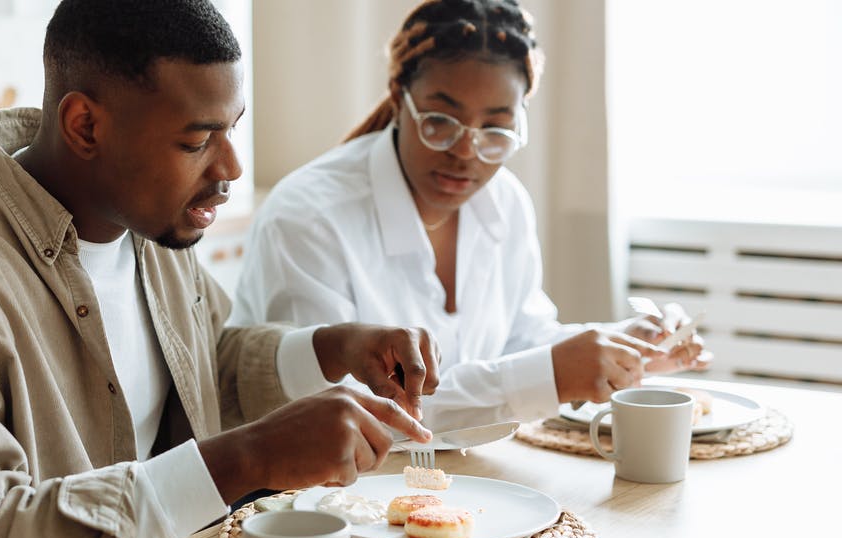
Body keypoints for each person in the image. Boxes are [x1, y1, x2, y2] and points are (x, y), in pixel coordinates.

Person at [0, 1, 441, 538]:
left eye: (231, 128)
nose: (230, 168)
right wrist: (244, 460)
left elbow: (197, 367)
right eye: (197, 140)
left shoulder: (146, 221)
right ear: (85, 126)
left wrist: (331, 349)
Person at [230, 0, 710, 430]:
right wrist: (549, 375)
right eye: (441, 121)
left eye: (496, 128)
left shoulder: (503, 201)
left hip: (464, 477)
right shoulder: (308, 218)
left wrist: (619, 347)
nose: (466, 151)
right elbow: (340, 416)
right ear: (400, 98)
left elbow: (523, 340)